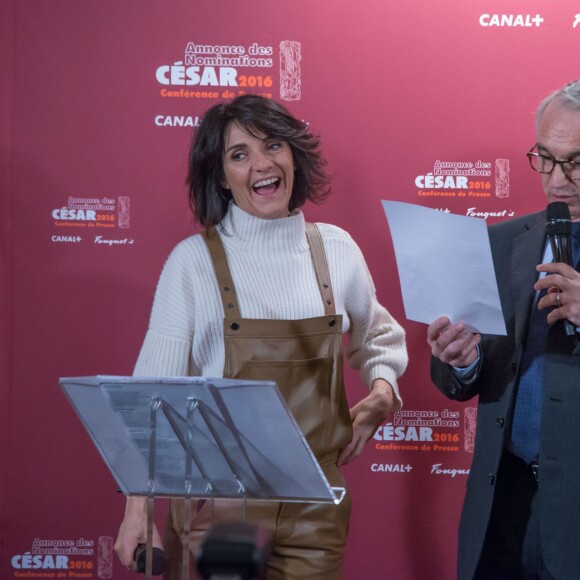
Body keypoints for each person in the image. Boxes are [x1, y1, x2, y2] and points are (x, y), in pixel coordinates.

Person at [114, 94, 408, 579]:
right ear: (221, 175)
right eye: (239, 154)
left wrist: (382, 394)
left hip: (316, 508)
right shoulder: (192, 263)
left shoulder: (336, 250)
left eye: (273, 145)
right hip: (216, 511)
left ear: (294, 155)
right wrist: (136, 509)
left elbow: (379, 335)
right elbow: (151, 397)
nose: (261, 164)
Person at [427, 79, 580, 580]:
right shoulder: (500, 243)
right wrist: (460, 361)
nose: (558, 180)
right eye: (546, 158)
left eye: (576, 162)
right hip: (503, 504)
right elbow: (462, 377)